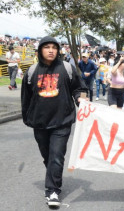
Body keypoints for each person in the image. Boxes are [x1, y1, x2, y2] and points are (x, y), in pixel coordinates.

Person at [21, 36, 88, 208]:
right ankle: (53, 176)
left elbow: (79, 88)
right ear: (40, 50)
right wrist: (27, 118)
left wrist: (80, 100)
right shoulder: (32, 71)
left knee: (57, 157)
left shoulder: (66, 68)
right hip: (40, 123)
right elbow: (26, 98)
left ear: (58, 51)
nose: (51, 50)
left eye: (54, 47)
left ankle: (52, 190)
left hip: (62, 122)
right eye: (47, 47)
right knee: (48, 157)